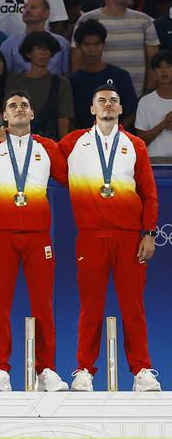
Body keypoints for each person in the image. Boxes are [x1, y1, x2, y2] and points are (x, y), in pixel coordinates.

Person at [0, 90, 70, 392]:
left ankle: (46, 369)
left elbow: (70, 177)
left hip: (38, 237)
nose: (19, 109)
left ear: (32, 115)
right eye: (12, 106)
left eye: (24, 105)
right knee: (0, 306)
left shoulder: (47, 147)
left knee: (43, 305)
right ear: (4, 116)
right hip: (3, 236)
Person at [60, 86, 160, 390]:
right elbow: (36, 152)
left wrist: (149, 232)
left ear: (120, 110)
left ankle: (142, 370)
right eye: (101, 101)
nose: (107, 105)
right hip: (91, 237)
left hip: (129, 237)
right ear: (92, 109)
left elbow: (150, 194)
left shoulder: (136, 145)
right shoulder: (72, 143)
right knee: (90, 306)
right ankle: (84, 371)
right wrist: (5, 139)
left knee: (133, 306)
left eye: (113, 101)